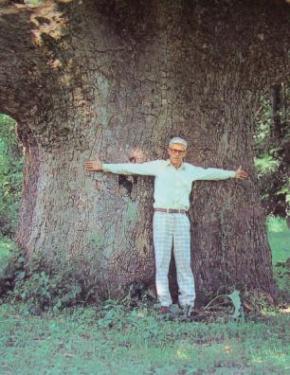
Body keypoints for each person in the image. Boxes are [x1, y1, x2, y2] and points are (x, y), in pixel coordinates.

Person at [84, 137, 248, 317]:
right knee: (162, 260)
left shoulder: (190, 170)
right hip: (161, 216)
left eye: (180, 151)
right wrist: (104, 166)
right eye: (174, 150)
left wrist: (233, 174)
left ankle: (187, 304)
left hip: (181, 218)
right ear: (168, 151)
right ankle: (164, 303)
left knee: (183, 261)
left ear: (184, 153)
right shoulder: (159, 166)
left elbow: (209, 173)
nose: (176, 154)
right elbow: (132, 168)